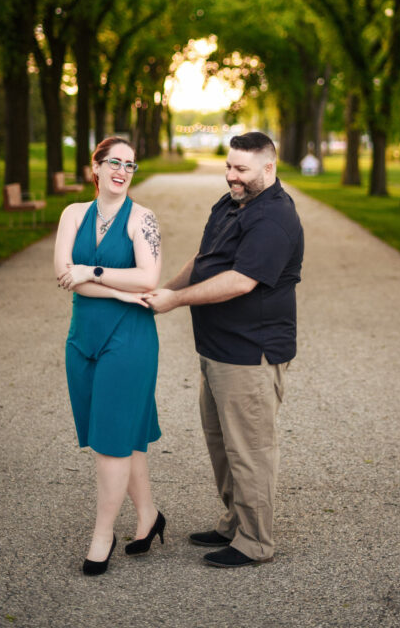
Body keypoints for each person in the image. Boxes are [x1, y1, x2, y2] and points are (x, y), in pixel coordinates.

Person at [146, 131, 304, 569]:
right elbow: (205, 259)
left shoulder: (273, 218)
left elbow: (240, 281)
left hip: (250, 354)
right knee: (222, 444)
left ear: (269, 169)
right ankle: (235, 521)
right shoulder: (232, 203)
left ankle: (255, 542)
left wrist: (175, 302)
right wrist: (166, 289)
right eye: (229, 166)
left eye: (242, 170)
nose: (232, 176)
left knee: (249, 450)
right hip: (217, 350)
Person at [54, 136, 164, 576]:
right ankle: (150, 516)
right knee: (122, 435)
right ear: (95, 167)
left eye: (130, 165)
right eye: (114, 162)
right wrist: (114, 287)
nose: (122, 170)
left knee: (111, 440)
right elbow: (65, 276)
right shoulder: (72, 214)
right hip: (82, 339)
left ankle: (103, 535)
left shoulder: (144, 219)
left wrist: (92, 271)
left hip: (130, 340)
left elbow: (149, 277)